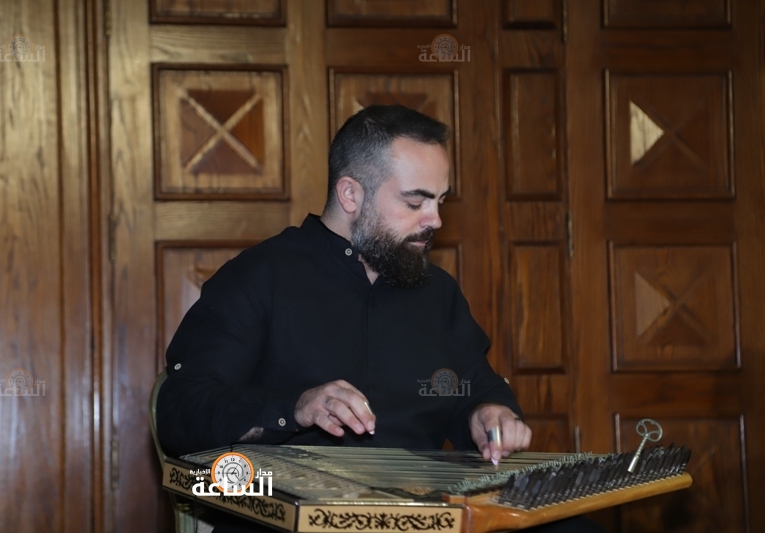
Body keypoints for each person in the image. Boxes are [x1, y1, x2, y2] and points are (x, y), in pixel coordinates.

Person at [157, 105, 604, 533]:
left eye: (440, 200)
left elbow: (472, 388)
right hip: (291, 518)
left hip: (425, 517)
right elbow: (180, 411)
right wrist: (294, 406)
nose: (436, 220)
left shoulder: (437, 292)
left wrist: (488, 413)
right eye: (415, 202)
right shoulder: (259, 277)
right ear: (351, 194)